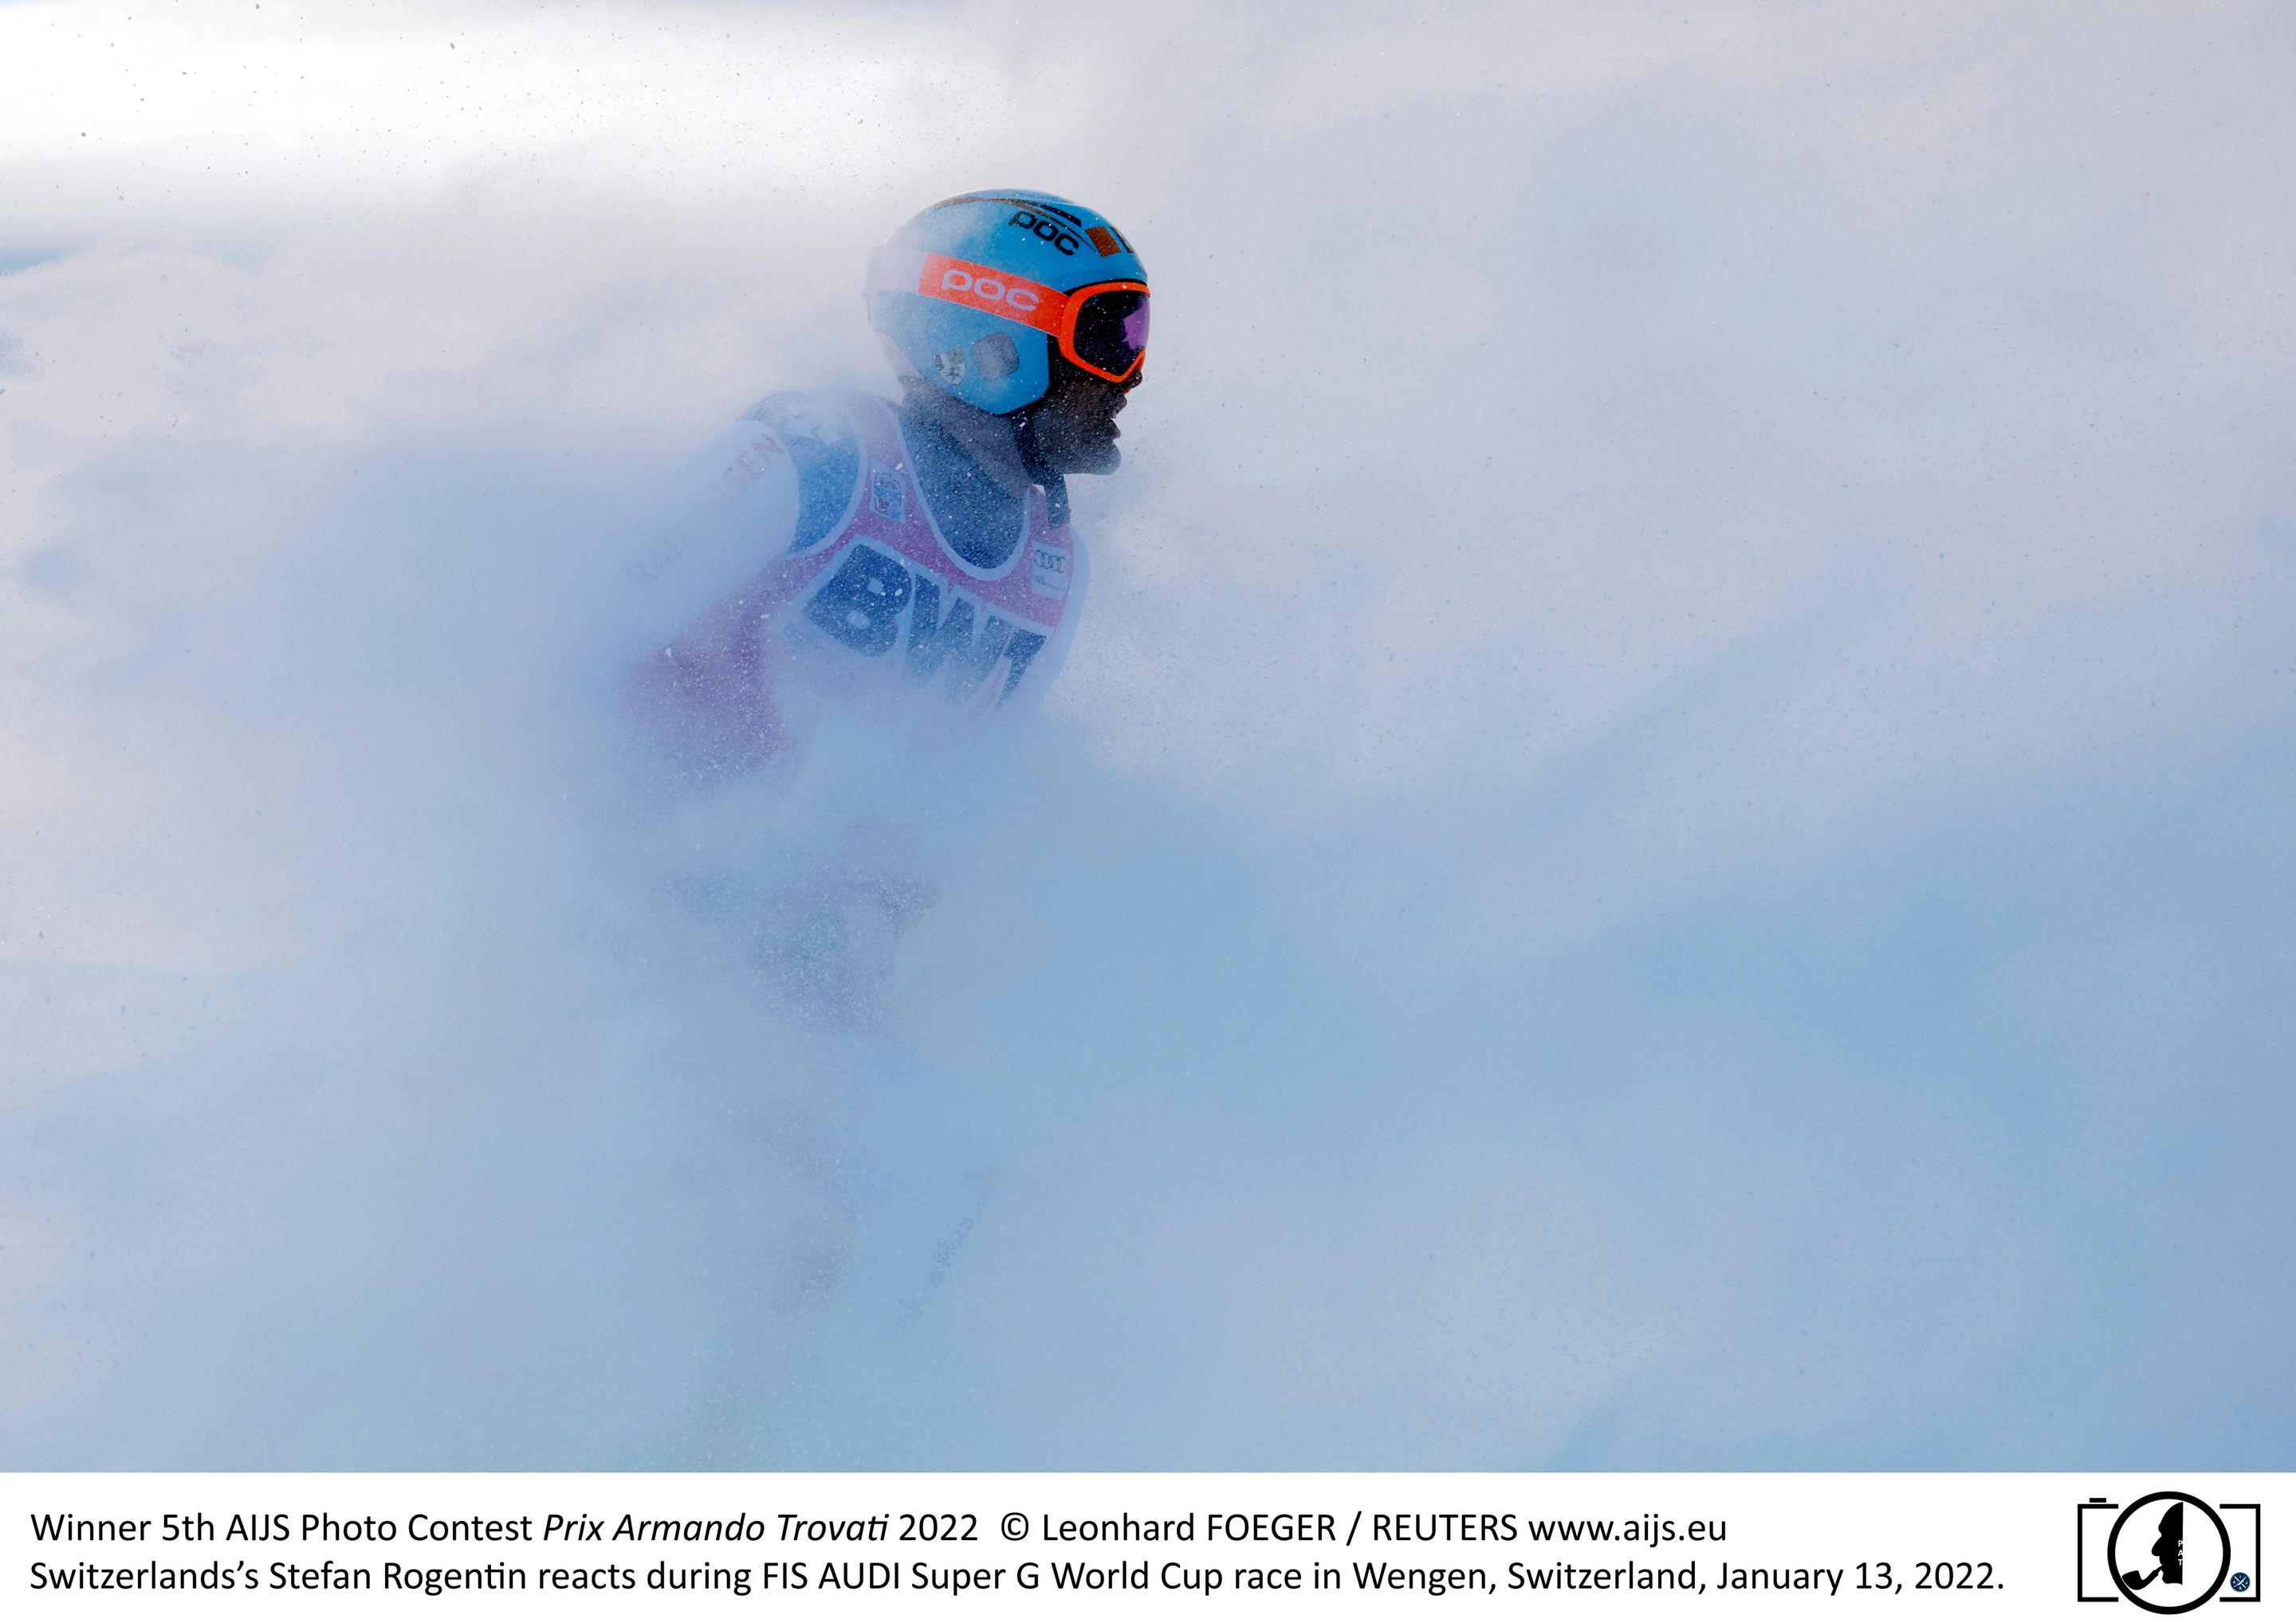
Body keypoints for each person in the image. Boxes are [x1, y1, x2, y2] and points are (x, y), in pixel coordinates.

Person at [615, 189, 1149, 1032]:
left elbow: (957, 794)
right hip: (626, 900)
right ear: (986, 346)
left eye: (1136, 335)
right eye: (1106, 336)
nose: (1131, 373)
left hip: (783, 963)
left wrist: (845, 952)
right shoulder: (815, 457)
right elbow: (583, 636)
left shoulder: (1050, 569)